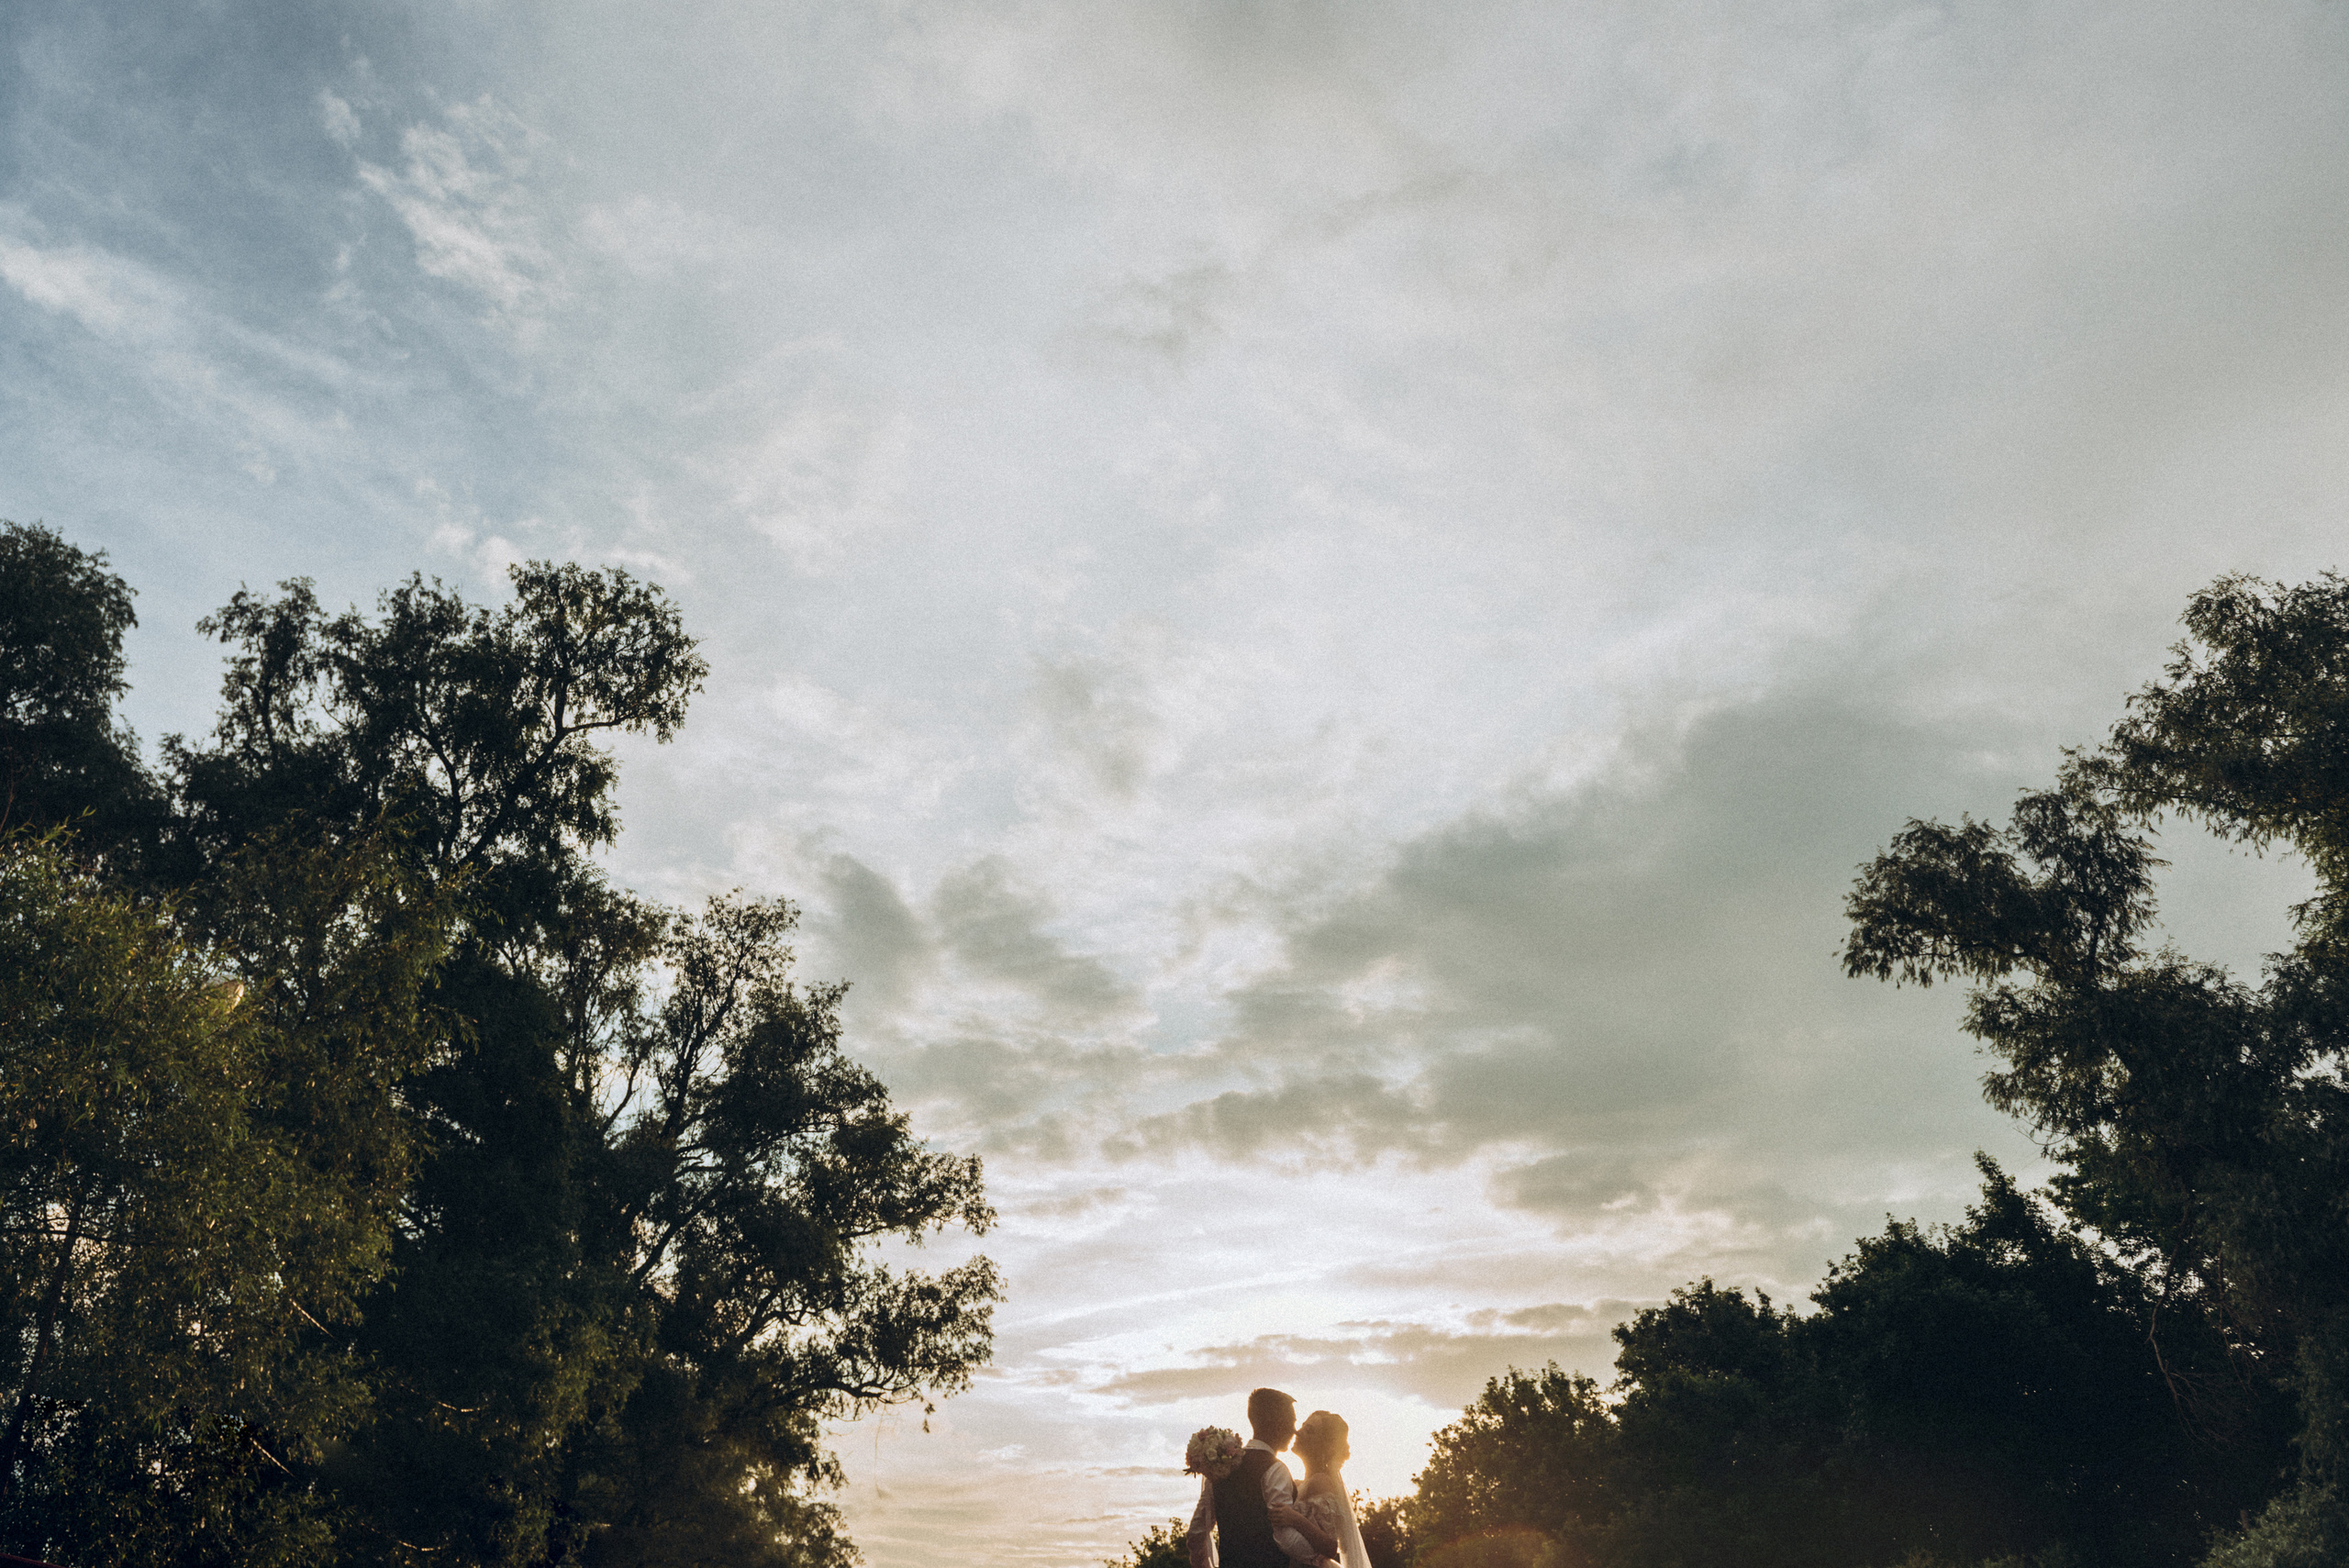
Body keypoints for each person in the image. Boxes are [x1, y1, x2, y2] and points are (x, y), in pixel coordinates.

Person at [1186, 1388, 1328, 1568]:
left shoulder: (1220, 1467)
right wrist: (1320, 1560)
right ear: (1277, 1425)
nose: (1295, 1431)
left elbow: (1196, 1534)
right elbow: (1285, 1538)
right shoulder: (1275, 1469)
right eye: (1292, 1422)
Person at [1270, 1410, 1370, 1568]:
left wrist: (1294, 1518)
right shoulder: (1303, 1483)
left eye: (1309, 1431)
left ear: (1327, 1448)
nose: (1298, 1432)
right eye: (1302, 1426)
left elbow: (1330, 1547)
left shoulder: (1321, 1482)